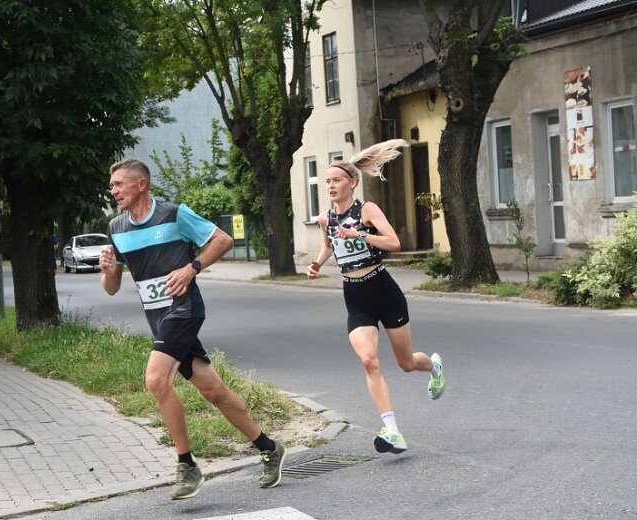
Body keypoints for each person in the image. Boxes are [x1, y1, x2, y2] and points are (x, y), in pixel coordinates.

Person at [99, 158, 286, 500]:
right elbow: (111, 287)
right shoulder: (116, 228)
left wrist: (192, 268)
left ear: (141, 185)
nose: (113, 191)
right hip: (158, 319)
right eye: (112, 186)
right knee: (213, 390)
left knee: (156, 380)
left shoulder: (173, 214)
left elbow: (222, 239)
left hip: (184, 311)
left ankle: (187, 465)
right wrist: (110, 270)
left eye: (118, 184)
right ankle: (269, 448)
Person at [306, 139, 446, 455]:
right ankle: (392, 429)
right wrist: (317, 263)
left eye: (336, 180)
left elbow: (394, 243)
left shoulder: (366, 210)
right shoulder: (325, 218)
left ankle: (434, 366)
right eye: (327, 181)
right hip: (354, 297)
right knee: (369, 361)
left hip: (383, 290)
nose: (330, 185)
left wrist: (361, 234)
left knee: (406, 363)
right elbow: (329, 245)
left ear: (352, 183)